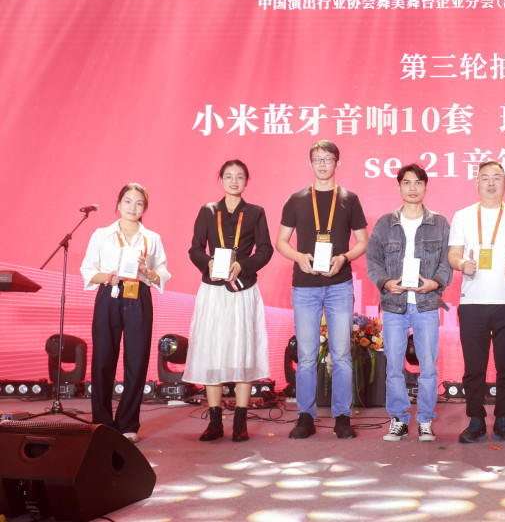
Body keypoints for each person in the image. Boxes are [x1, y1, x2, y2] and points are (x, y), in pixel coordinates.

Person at [276, 140, 368, 439]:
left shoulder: (349, 199)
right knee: (306, 355)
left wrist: (344, 258)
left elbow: (362, 242)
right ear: (311, 163)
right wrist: (298, 257)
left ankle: (342, 416)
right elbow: (281, 242)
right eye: (318, 159)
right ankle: (305, 416)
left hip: (339, 285)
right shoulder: (296, 199)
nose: (323, 164)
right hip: (305, 287)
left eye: (328, 159)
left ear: (337, 163)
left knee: (341, 354)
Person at [183, 160, 274, 442]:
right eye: (229, 176)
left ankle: (240, 422)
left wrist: (243, 265)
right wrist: (208, 262)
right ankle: (214, 422)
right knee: (212, 351)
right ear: (221, 179)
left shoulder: (256, 212)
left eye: (240, 176)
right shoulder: (208, 210)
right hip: (213, 290)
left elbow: (266, 249)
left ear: (247, 180)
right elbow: (195, 249)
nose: (234, 181)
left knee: (242, 351)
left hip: (243, 289)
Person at [448, 160, 505, 443]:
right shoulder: (463, 216)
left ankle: (504, 420)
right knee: (474, 367)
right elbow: (453, 255)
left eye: (497, 177)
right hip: (473, 303)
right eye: (485, 177)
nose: (491, 183)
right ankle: (475, 420)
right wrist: (462, 264)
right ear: (477, 183)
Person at [366, 163, 451, 442]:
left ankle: (425, 420)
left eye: (418, 183)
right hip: (394, 304)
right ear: (399, 186)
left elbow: (447, 262)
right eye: (407, 182)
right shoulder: (384, 223)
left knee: (428, 366)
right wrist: (386, 282)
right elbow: (373, 261)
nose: (412, 188)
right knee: (393, 367)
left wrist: (435, 283)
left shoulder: (439, 223)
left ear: (425, 186)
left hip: (427, 303)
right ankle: (398, 420)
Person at [80, 183, 170, 443]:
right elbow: (88, 270)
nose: (133, 207)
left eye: (139, 203)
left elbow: (161, 273)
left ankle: (128, 423)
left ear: (145, 208)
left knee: (137, 360)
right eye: (128, 201)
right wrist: (108, 277)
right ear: (118, 204)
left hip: (138, 295)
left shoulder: (151, 238)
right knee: (103, 359)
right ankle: (102, 421)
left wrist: (147, 271)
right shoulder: (102, 234)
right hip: (109, 294)